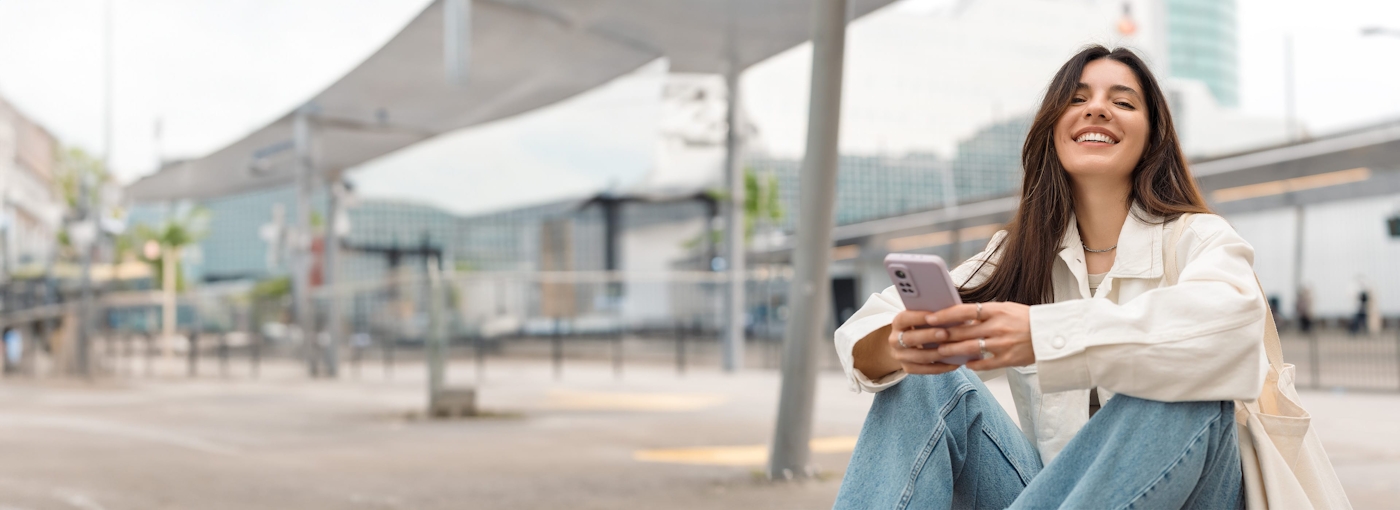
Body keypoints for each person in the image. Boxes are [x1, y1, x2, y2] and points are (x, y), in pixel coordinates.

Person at [832, 46, 1267, 509]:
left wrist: (1047, 335)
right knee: (922, 377)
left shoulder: (1197, 238)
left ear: (1153, 136)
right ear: (1053, 129)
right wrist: (900, 344)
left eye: (1122, 102)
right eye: (1077, 99)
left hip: (1191, 495)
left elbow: (1234, 335)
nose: (1097, 108)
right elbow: (863, 331)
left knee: (1185, 382)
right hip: (1052, 494)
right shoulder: (1021, 254)